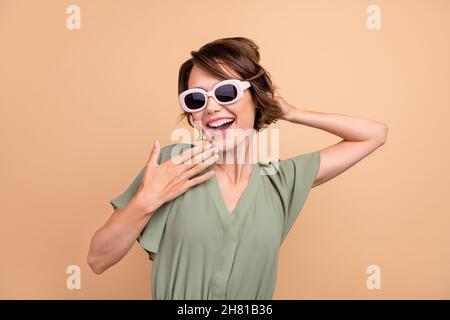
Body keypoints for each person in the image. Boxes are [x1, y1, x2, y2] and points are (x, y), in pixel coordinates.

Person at [87, 37, 388, 299]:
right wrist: (145, 201)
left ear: (256, 96)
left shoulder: (279, 182)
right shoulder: (174, 167)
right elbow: (97, 259)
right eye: (196, 99)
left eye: (226, 92)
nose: (211, 107)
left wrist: (293, 112)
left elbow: (374, 134)